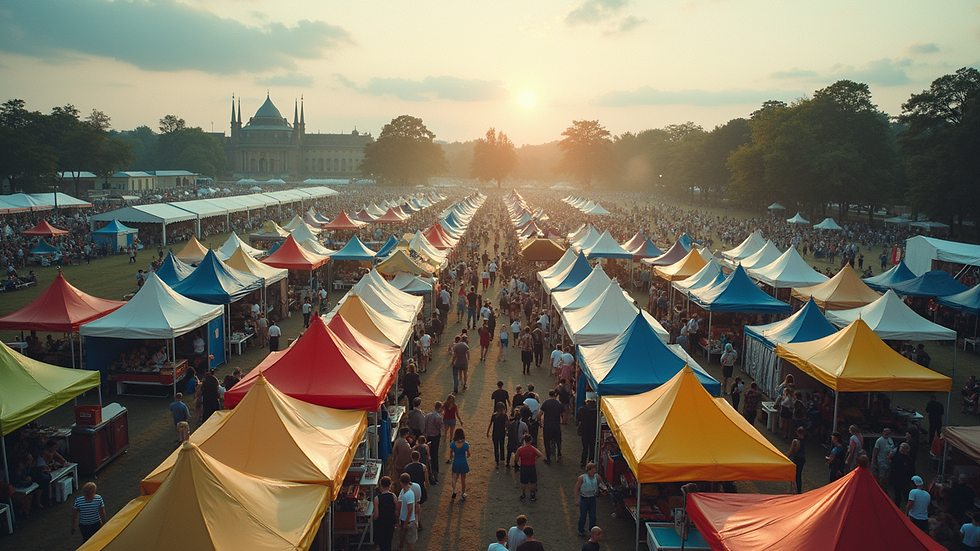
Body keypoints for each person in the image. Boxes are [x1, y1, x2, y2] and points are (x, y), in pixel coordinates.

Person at [575, 463, 603, 537]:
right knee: (583, 515)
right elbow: (576, 488)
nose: (594, 471)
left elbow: (600, 485)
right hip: (583, 498)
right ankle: (580, 530)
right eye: (592, 469)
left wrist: (603, 490)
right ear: (588, 471)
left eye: (594, 469)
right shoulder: (582, 478)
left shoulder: (597, 477)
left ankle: (592, 531)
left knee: (593, 516)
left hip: (592, 498)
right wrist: (576, 500)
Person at [539, 389, 565, 463]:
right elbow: (564, 413)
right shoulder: (559, 404)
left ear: (549, 395)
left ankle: (548, 458)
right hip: (556, 425)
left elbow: (540, 413)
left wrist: (540, 421)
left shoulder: (546, 403)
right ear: (555, 395)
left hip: (547, 425)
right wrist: (562, 422)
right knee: (558, 440)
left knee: (547, 441)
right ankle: (559, 453)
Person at [372, 476, 398, 551]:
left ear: (381, 485)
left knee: (382, 543)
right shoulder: (393, 496)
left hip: (381, 524)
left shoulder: (377, 499)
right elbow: (396, 510)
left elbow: (376, 515)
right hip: (390, 522)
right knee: (388, 541)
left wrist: (373, 519)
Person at [396, 473, 419, 551]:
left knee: (410, 543)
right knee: (407, 540)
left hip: (408, 522)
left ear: (401, 482)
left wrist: (405, 523)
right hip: (406, 521)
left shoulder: (407, 494)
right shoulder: (407, 492)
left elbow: (410, 510)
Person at [516, 434, 543, 501]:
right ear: (530, 441)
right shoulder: (533, 449)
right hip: (531, 466)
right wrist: (534, 459)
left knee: (523, 482)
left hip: (524, 466)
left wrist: (519, 464)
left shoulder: (520, 449)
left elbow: (516, 459)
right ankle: (532, 494)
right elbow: (540, 454)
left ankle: (523, 494)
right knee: (533, 482)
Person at [889, 442, 916, 508]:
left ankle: (897, 508)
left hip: (899, 479)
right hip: (904, 479)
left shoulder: (897, 456)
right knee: (904, 494)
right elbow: (912, 470)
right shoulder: (908, 458)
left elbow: (891, 463)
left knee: (898, 495)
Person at [424, 401, 444, 484]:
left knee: (428, 453)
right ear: (439, 408)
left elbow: (425, 424)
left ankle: (430, 470)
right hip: (435, 436)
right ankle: (435, 471)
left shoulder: (428, 415)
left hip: (428, 436)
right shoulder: (438, 417)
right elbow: (441, 427)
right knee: (435, 454)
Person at [576, 397, 598, 468]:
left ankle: (583, 463)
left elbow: (578, 419)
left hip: (584, 431)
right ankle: (590, 463)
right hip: (593, 431)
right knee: (592, 448)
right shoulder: (596, 411)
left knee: (585, 447)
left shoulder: (582, 409)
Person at [449, 428, 470, 500]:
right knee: (463, 479)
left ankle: (454, 491)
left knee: (454, 478)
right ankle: (463, 493)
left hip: (456, 462)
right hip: (463, 462)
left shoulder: (452, 444)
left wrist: (451, 457)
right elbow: (468, 454)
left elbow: (451, 454)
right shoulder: (465, 444)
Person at [487, 402, 508, 467]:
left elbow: (490, 424)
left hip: (495, 433)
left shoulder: (494, 415)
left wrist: (487, 432)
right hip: (502, 433)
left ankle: (497, 461)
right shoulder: (505, 416)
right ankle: (502, 459)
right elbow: (507, 424)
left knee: (496, 447)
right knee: (502, 446)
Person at [443, 394, 462, 461]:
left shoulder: (445, 404)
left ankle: (445, 438)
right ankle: (451, 440)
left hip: (446, 419)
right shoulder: (454, 405)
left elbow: (442, 410)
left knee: (446, 430)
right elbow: (457, 414)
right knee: (452, 431)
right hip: (452, 420)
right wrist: (460, 420)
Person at [788, 426, 806, 494]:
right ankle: (799, 490)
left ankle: (794, 490)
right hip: (802, 459)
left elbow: (793, 450)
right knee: (799, 475)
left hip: (796, 459)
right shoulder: (804, 440)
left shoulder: (795, 441)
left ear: (797, 433)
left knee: (794, 475)